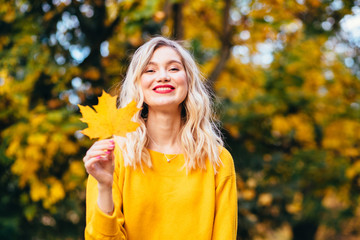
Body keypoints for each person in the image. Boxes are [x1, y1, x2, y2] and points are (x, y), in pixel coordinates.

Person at [83, 36, 237, 240]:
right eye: (150, 70)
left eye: (174, 69)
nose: (163, 76)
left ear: (188, 80)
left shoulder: (217, 160)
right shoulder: (113, 156)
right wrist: (104, 186)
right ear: (138, 84)